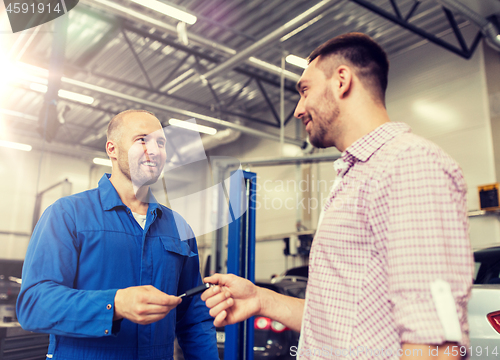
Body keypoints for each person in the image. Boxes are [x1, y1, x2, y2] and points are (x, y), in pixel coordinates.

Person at [202, 33, 473, 359]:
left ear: (342, 80)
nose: (298, 110)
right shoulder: (356, 175)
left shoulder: (409, 164)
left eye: (304, 91)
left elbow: (436, 344)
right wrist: (261, 299)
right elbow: (341, 322)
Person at [17, 110, 219, 360]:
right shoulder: (68, 215)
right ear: (112, 149)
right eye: (142, 140)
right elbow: (34, 305)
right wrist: (115, 304)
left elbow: (193, 318)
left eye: (161, 142)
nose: (154, 149)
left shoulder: (179, 227)